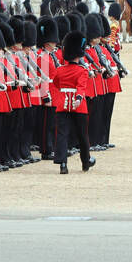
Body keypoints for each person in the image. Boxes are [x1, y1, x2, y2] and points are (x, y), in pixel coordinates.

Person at [53, 30, 95, 174]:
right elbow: (81, 87)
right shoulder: (82, 70)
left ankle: (63, 164)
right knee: (82, 135)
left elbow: (56, 83)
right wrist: (77, 98)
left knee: (62, 134)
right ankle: (85, 161)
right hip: (78, 106)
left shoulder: (60, 69)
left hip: (62, 104)